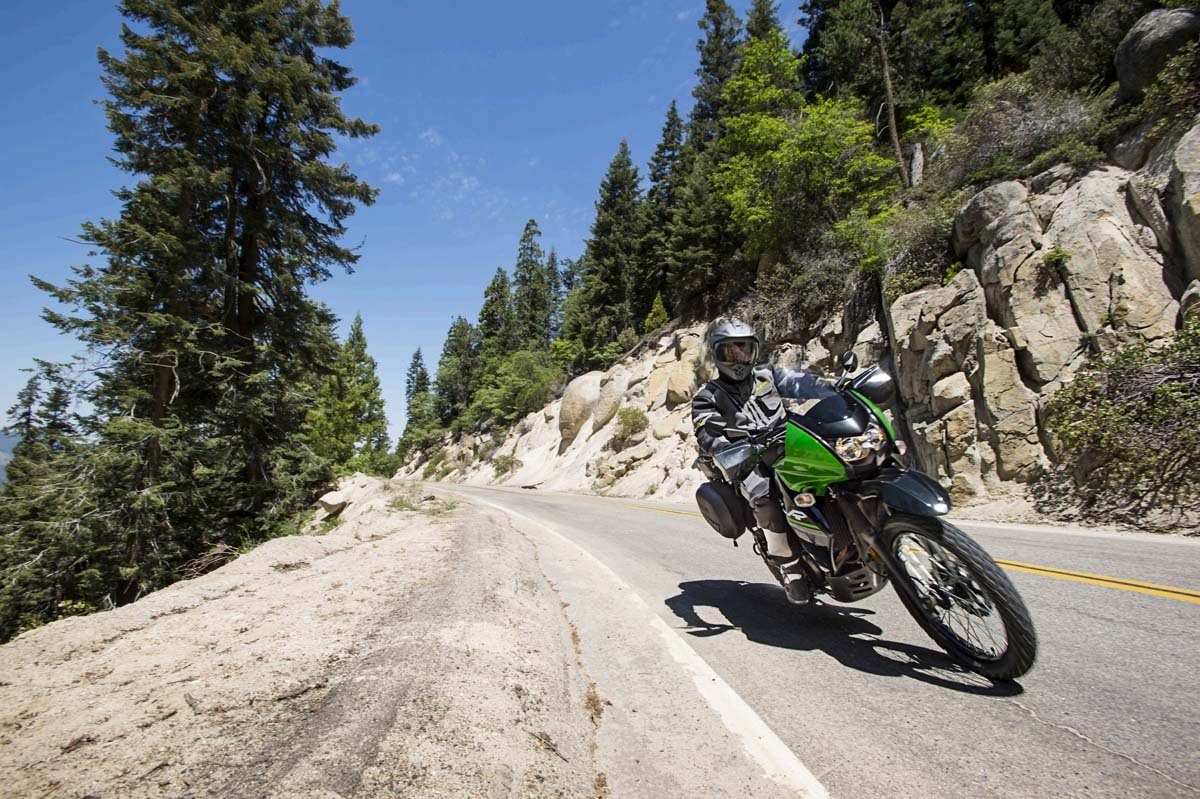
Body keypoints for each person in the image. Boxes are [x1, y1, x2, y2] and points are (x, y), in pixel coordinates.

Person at [690, 318, 833, 604]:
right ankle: (790, 567)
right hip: (747, 456)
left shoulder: (769, 376)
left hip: (787, 442)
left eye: (745, 350)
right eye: (730, 352)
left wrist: (833, 387)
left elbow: (803, 383)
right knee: (762, 495)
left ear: (755, 351)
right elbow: (705, 430)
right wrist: (727, 444)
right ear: (717, 355)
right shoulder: (707, 396)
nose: (739, 358)